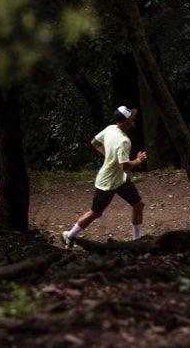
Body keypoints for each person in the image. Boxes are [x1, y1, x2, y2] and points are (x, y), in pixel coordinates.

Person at [62, 106, 147, 248]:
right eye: (131, 118)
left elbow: (94, 143)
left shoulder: (110, 128)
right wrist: (138, 160)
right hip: (107, 182)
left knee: (138, 205)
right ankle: (69, 235)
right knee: (95, 213)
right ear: (125, 121)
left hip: (120, 179)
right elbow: (125, 165)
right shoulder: (124, 141)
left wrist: (108, 155)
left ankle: (137, 241)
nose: (133, 121)